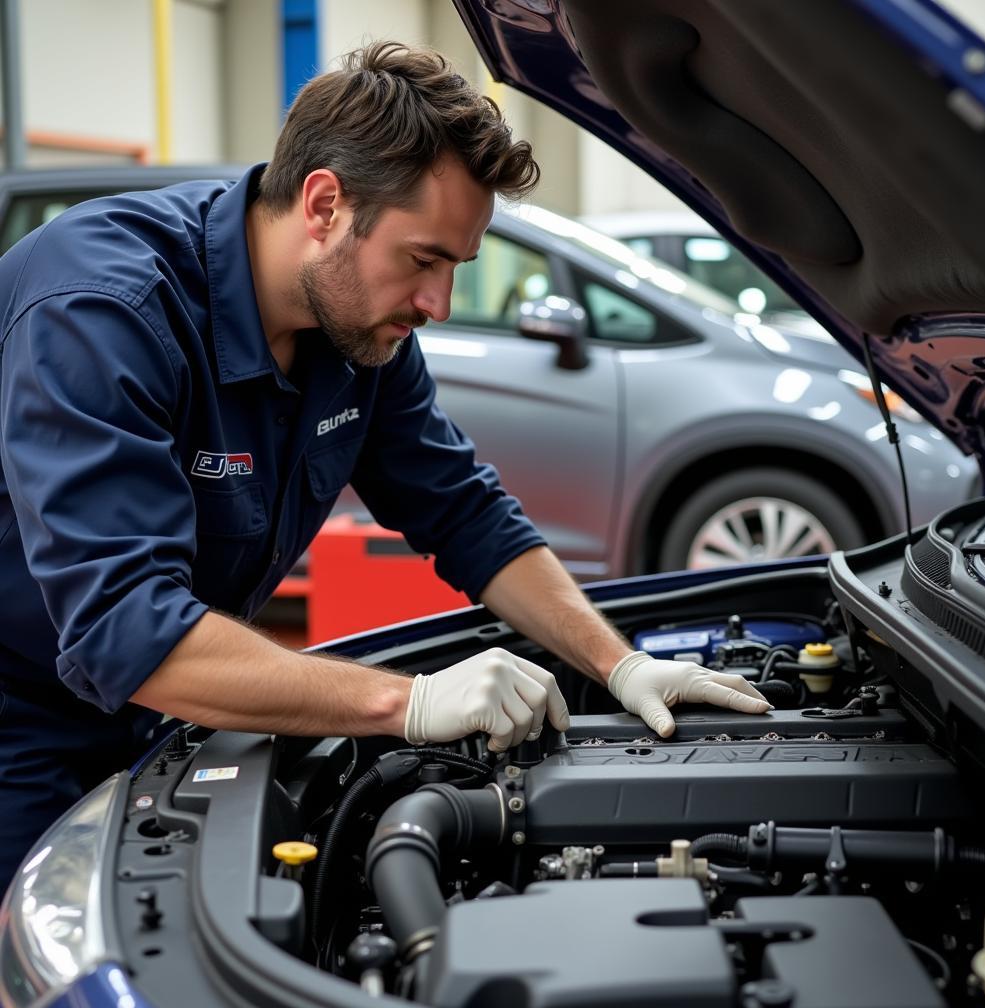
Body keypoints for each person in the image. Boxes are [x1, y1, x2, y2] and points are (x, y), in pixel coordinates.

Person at [0, 41, 769, 892]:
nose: (438, 306)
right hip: (18, 717)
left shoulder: (357, 334)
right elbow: (127, 632)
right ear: (326, 203)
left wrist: (618, 665)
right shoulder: (104, 313)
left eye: (455, 267)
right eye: (423, 259)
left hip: (168, 708)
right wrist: (410, 704)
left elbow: (464, 512)